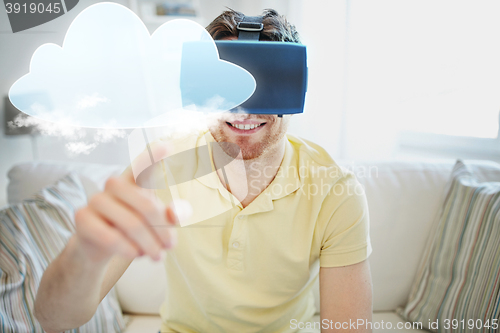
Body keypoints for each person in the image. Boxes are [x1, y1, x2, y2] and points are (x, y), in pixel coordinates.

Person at [35, 9, 373, 333]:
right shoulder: (161, 163)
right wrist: (83, 254)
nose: (242, 108)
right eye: (226, 84)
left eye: (260, 83)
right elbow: (55, 320)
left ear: (293, 85)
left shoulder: (334, 189)